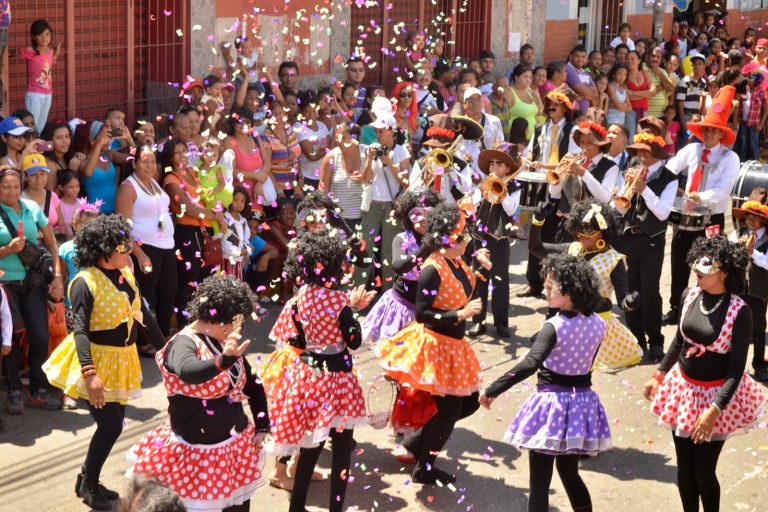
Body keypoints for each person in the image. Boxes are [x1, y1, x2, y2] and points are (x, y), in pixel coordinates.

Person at [43, 214, 163, 510]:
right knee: (110, 426)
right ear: (103, 250)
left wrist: (166, 351)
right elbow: (80, 332)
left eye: (128, 245)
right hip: (95, 362)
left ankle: (87, 478)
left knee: (114, 424)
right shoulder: (84, 283)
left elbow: (143, 316)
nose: (128, 251)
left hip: (122, 360)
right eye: (122, 247)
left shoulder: (126, 274)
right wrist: (90, 374)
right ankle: (88, 484)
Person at [479, 253, 611, 512]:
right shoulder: (598, 323)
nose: (545, 291)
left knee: (539, 482)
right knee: (570, 473)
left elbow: (531, 363)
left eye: (551, 286)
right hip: (582, 404)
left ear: (570, 290)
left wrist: (493, 389)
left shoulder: (553, 326)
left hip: (552, 407)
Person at [644, 236, 766, 512]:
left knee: (703, 471)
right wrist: (659, 374)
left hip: (717, 398)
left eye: (707, 264)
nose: (697, 268)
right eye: (697, 260)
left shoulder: (740, 312)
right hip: (684, 393)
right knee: (685, 469)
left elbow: (736, 371)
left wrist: (713, 410)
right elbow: (679, 341)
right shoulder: (689, 296)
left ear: (724, 272)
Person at [128, 274, 268, 512]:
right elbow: (188, 371)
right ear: (219, 319)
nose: (239, 328)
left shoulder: (223, 341)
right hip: (196, 458)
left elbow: (253, 384)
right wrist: (223, 361)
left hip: (234, 449)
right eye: (237, 321)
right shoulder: (182, 343)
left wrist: (263, 424)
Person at [376, 202, 492, 485]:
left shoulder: (457, 262)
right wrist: (459, 315)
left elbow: (465, 292)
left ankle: (415, 445)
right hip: (435, 348)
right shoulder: (433, 268)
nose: (468, 240)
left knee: (467, 404)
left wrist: (484, 271)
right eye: (464, 235)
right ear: (450, 239)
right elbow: (423, 314)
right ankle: (424, 468)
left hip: (454, 347)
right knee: (452, 409)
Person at [266, 232, 374, 512]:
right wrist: (353, 311)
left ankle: (296, 507)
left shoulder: (300, 296)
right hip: (338, 381)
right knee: (341, 454)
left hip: (308, 376)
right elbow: (354, 342)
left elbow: (296, 339)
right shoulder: (339, 300)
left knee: (309, 447)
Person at [529, 200, 642, 369]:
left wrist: (629, 302)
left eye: (588, 231)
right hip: (568, 322)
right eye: (579, 229)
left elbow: (622, 297)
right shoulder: (573, 248)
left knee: (585, 372)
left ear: (601, 233)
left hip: (594, 327)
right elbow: (536, 248)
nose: (581, 235)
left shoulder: (614, 259)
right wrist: (537, 220)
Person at [663, 86, 741, 327]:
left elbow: (723, 192)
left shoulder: (730, 158)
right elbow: (669, 170)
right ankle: (676, 308)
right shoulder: (691, 149)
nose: (707, 134)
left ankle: (707, 312)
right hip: (686, 217)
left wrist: (701, 197)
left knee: (710, 268)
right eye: (705, 129)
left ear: (721, 134)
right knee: (678, 264)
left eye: (713, 130)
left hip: (710, 220)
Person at [0, 166, 63, 415]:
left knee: (40, 337)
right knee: (11, 339)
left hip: (33, 282)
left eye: (16, 186)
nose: (12, 191)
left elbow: (51, 243)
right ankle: (14, 391)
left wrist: (56, 276)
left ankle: (38, 390)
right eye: (6, 186)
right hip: (5, 285)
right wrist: (8, 250)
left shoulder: (32, 208)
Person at [613, 133, 677, 361]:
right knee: (631, 291)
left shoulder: (669, 178)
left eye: (645, 152)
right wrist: (620, 194)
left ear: (656, 153)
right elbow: (620, 209)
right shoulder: (631, 169)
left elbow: (662, 212)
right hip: (629, 238)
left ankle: (655, 340)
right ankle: (636, 338)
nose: (640, 156)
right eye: (638, 151)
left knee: (649, 292)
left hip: (652, 241)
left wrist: (644, 189)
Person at [362, 188, 442, 344]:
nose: (423, 219)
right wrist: (423, 249)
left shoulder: (438, 241)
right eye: (417, 214)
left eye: (429, 214)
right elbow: (398, 266)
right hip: (401, 306)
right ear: (407, 215)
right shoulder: (401, 238)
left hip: (427, 309)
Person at [518, 91, 578, 298]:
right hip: (539, 185)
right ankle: (533, 282)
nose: (551, 107)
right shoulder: (539, 128)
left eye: (556, 104)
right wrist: (527, 160)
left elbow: (571, 159)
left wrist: (546, 167)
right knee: (536, 232)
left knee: (552, 236)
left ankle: (551, 283)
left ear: (565, 109)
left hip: (559, 186)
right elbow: (530, 152)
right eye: (549, 104)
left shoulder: (572, 130)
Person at [161, 139, 226, 327]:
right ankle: (185, 325)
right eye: (177, 152)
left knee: (206, 279)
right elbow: (188, 209)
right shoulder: (171, 180)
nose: (183, 155)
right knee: (189, 281)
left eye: (185, 150)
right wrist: (215, 215)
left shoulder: (193, 172)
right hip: (187, 233)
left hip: (205, 230)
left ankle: (203, 322)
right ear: (170, 158)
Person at [115, 146, 177, 337]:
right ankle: (144, 342)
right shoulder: (128, 187)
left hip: (167, 247)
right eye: (144, 161)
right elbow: (122, 226)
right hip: (145, 249)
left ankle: (163, 337)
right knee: (146, 296)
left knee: (168, 293)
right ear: (134, 164)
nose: (149, 166)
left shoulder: (154, 183)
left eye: (152, 161)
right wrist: (140, 255)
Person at [468, 143, 522, 338]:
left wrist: (502, 190)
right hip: (481, 237)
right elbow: (474, 204)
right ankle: (478, 322)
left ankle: (501, 323)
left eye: (499, 164)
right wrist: (480, 193)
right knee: (479, 279)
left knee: (500, 281)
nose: (494, 168)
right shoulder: (483, 182)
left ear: (507, 168)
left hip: (500, 240)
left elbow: (511, 209)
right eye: (492, 164)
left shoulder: (515, 187)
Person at [355, 114, 408, 291]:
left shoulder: (401, 151)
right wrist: (370, 159)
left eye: (380, 131)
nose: (377, 135)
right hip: (372, 205)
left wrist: (390, 163)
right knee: (363, 249)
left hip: (392, 207)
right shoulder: (372, 149)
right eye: (376, 131)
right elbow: (365, 179)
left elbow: (406, 182)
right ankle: (358, 294)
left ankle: (388, 294)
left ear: (390, 132)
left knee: (389, 252)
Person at [549, 121, 620, 231]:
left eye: (589, 142)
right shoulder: (575, 161)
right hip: (567, 222)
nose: (584, 146)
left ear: (599, 144)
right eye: (582, 142)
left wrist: (584, 173)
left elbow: (605, 198)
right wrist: (559, 174)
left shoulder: (611, 167)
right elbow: (554, 193)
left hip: (591, 227)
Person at [729, 192, 768, 382]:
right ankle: (734, 365)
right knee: (735, 327)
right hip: (738, 288)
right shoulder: (739, 233)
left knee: (759, 328)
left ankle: (759, 365)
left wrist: (753, 253)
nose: (750, 220)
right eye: (748, 216)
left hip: (759, 291)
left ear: (763, 219)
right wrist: (735, 248)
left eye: (755, 216)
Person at [79, 121, 129, 214]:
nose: (108, 139)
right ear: (92, 140)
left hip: (115, 213)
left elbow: (133, 158)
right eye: (104, 136)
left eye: (108, 135)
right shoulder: (81, 160)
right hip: (94, 215)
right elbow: (88, 172)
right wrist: (98, 145)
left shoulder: (109, 155)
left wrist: (129, 139)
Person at [21, 19, 61, 132]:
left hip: (48, 94)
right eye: (40, 35)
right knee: (31, 127)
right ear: (34, 37)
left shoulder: (50, 51)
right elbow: (9, 54)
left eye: (47, 34)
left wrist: (56, 55)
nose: (44, 38)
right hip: (34, 95)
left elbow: (47, 66)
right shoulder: (30, 51)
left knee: (40, 127)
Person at [294, 91, 331, 190]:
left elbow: (331, 147)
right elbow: (312, 156)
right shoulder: (298, 127)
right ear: (301, 112)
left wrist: (334, 127)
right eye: (307, 111)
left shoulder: (322, 126)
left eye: (314, 111)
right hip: (307, 177)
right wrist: (326, 149)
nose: (311, 115)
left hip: (323, 176)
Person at [20, 153, 64, 233]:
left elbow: (61, 226)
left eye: (42, 173)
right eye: (33, 175)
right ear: (25, 177)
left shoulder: (52, 196)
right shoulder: (20, 199)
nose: (38, 178)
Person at [220, 186, 253, 282]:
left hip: (238, 262)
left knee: (237, 284)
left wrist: (248, 247)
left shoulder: (243, 221)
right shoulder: (224, 218)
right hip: (226, 260)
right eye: (236, 200)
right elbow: (223, 243)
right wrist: (239, 252)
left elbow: (245, 240)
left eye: (242, 201)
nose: (239, 203)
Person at [675, 54, 707, 149]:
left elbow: (702, 103)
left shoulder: (703, 83)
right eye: (695, 64)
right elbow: (680, 104)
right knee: (685, 145)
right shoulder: (685, 81)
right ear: (692, 66)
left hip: (698, 118)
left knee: (695, 146)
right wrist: (683, 123)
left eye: (700, 64)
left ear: (704, 66)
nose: (697, 66)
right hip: (687, 116)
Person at [507, 64, 543, 143]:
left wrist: (538, 99)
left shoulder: (529, 90)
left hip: (534, 139)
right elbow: (504, 117)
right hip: (517, 140)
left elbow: (540, 111)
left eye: (530, 77)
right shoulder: (509, 92)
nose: (528, 80)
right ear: (516, 77)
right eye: (525, 77)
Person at [566, 45, 599, 114]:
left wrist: (583, 95)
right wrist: (588, 94)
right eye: (577, 56)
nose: (580, 59)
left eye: (583, 57)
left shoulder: (585, 72)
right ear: (571, 57)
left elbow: (596, 94)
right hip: (574, 114)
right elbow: (581, 90)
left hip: (586, 114)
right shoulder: (568, 69)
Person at [606, 64, 633, 135]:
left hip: (621, 122)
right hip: (611, 121)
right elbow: (618, 105)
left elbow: (630, 108)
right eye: (619, 74)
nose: (622, 77)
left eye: (624, 75)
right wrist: (622, 106)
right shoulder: (610, 86)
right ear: (614, 74)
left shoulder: (624, 88)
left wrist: (617, 106)